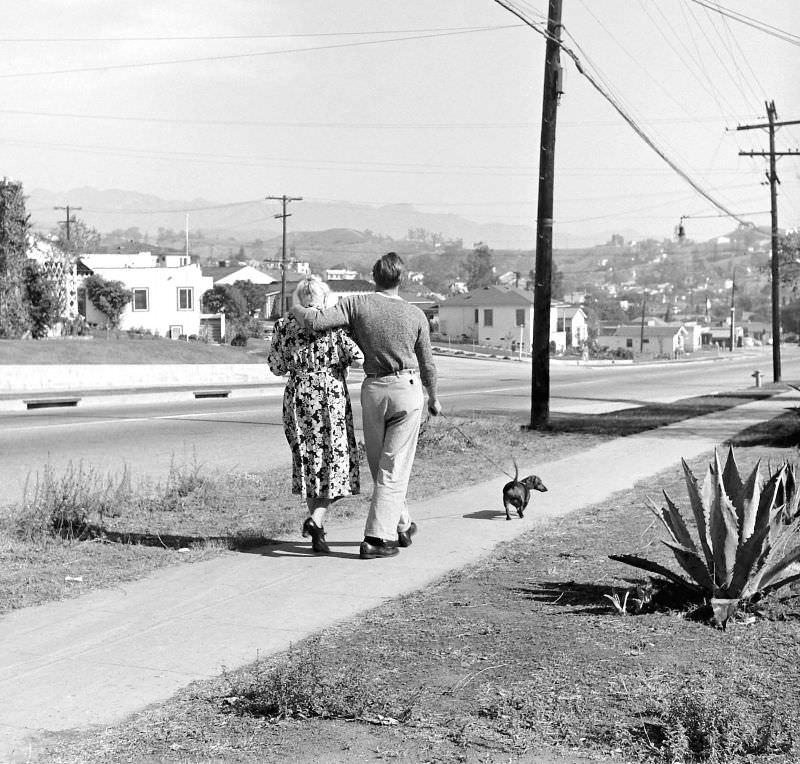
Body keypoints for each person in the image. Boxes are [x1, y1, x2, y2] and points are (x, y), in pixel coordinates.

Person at [292, 252, 442, 560]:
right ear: (402, 278)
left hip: (374, 390)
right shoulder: (415, 314)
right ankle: (375, 538)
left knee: (380, 465)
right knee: (394, 467)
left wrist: (295, 306)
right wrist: (435, 397)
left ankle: (402, 524)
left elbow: (317, 320)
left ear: (374, 276)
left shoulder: (356, 304)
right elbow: (427, 363)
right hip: (407, 388)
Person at [267, 275, 363, 554]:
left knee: (310, 463)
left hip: (297, 396)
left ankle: (317, 533)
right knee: (337, 463)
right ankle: (317, 519)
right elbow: (358, 358)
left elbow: (275, 366)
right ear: (325, 299)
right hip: (329, 395)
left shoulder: (284, 326)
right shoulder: (335, 325)